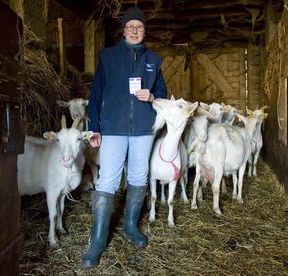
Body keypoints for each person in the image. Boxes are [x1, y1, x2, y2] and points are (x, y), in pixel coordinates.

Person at [81, 6, 167, 268]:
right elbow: (95, 94)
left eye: (139, 27)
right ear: (123, 30)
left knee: (139, 176)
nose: (135, 30)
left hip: (143, 127)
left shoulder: (153, 59)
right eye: (130, 26)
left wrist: (152, 97)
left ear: (144, 31)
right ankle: (97, 240)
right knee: (108, 178)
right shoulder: (108, 57)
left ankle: (130, 226)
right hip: (113, 126)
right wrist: (95, 126)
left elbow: (163, 93)